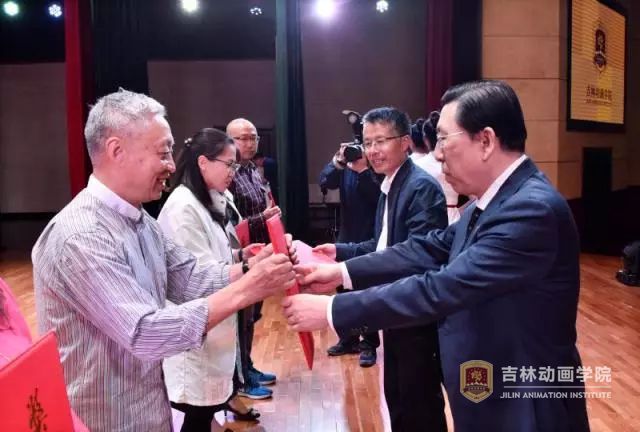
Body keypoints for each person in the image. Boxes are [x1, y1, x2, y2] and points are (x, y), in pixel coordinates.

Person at [284, 80, 590, 432]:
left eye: (444, 139)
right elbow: (426, 248)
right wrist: (341, 272)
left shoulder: (529, 209)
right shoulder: (489, 202)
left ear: (486, 141)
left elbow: (441, 287)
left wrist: (333, 310)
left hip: (524, 403)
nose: (437, 153)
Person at [32, 89, 295, 432]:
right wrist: (248, 288)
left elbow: (190, 278)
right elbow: (145, 333)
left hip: (147, 411)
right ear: (116, 151)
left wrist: (251, 267)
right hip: (105, 421)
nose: (172, 165)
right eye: (163, 152)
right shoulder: (82, 235)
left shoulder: (140, 220)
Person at [313, 107, 448, 430]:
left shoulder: (420, 187)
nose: (372, 150)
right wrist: (339, 251)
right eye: (368, 142)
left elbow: (417, 255)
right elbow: (382, 244)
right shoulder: (392, 183)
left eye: (381, 141)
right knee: (398, 399)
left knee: (420, 407)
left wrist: (342, 272)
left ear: (405, 142)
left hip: (415, 313)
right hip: (395, 310)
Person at [158, 128, 270, 431]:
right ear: (203, 163)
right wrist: (249, 268)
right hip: (195, 326)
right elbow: (197, 277)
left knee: (205, 413)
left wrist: (242, 255)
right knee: (196, 414)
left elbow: (214, 254)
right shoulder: (183, 207)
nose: (233, 172)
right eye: (229, 164)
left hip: (215, 322)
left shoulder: (210, 198)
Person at [226, 118, 279, 398]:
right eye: (242, 138)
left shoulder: (252, 170)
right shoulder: (228, 174)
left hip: (259, 253)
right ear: (229, 141)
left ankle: (248, 366)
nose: (249, 143)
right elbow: (229, 223)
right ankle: (241, 380)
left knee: (251, 318)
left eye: (253, 137)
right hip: (240, 258)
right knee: (240, 320)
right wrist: (263, 217)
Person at [318, 142, 381, 367]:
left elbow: (377, 197)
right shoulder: (345, 166)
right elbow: (325, 181)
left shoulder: (375, 165)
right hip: (345, 236)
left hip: (368, 237)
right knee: (343, 291)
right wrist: (338, 162)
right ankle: (348, 339)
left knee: (366, 292)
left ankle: (369, 344)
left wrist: (363, 170)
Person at [410, 112, 460, 224]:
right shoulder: (458, 162)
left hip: (428, 219)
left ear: (425, 140)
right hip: (455, 217)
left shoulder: (417, 166)